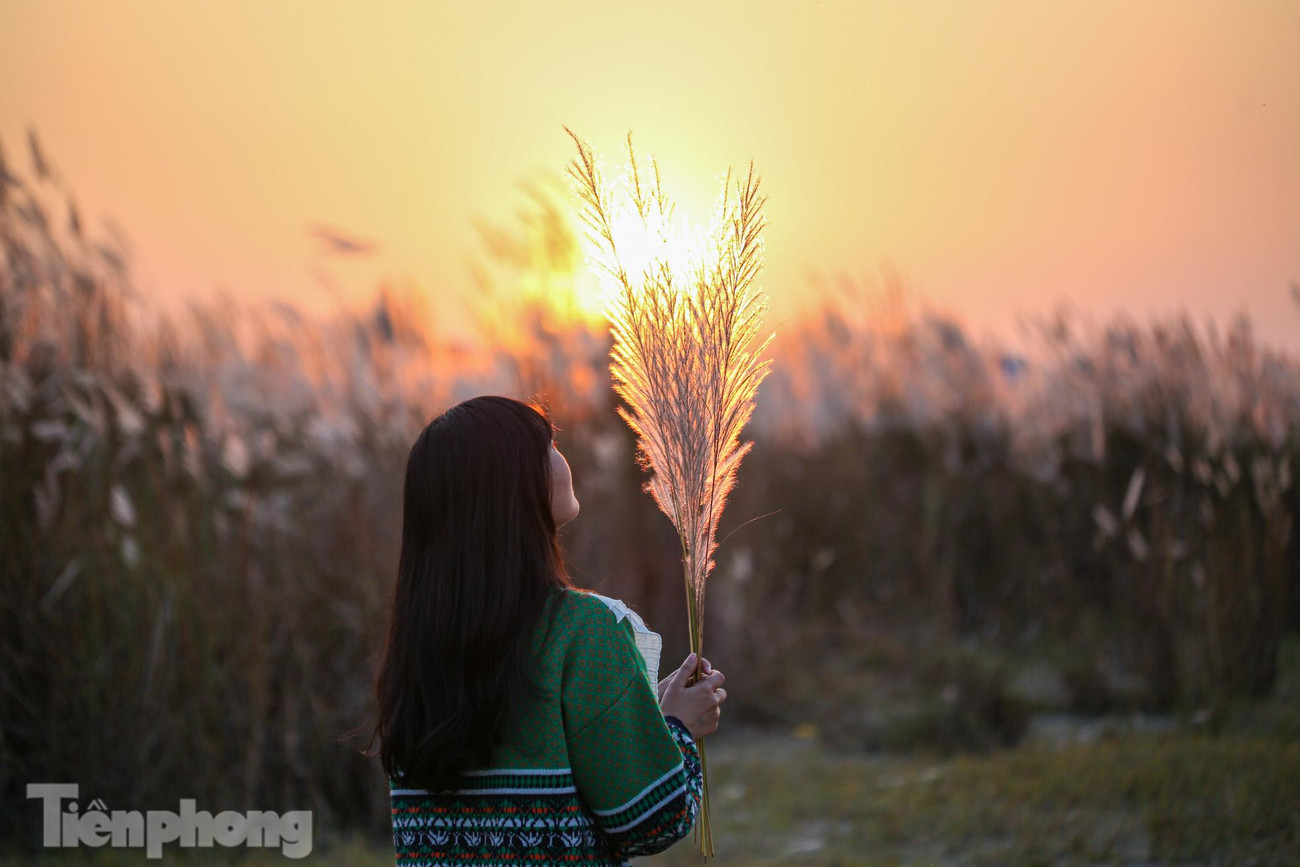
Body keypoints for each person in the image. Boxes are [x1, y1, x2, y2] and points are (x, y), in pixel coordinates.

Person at [370, 395, 727, 865]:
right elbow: (651, 820)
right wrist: (680, 729)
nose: (563, 458)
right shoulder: (583, 631)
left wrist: (647, 719)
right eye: (549, 445)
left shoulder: (419, 647)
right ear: (512, 483)